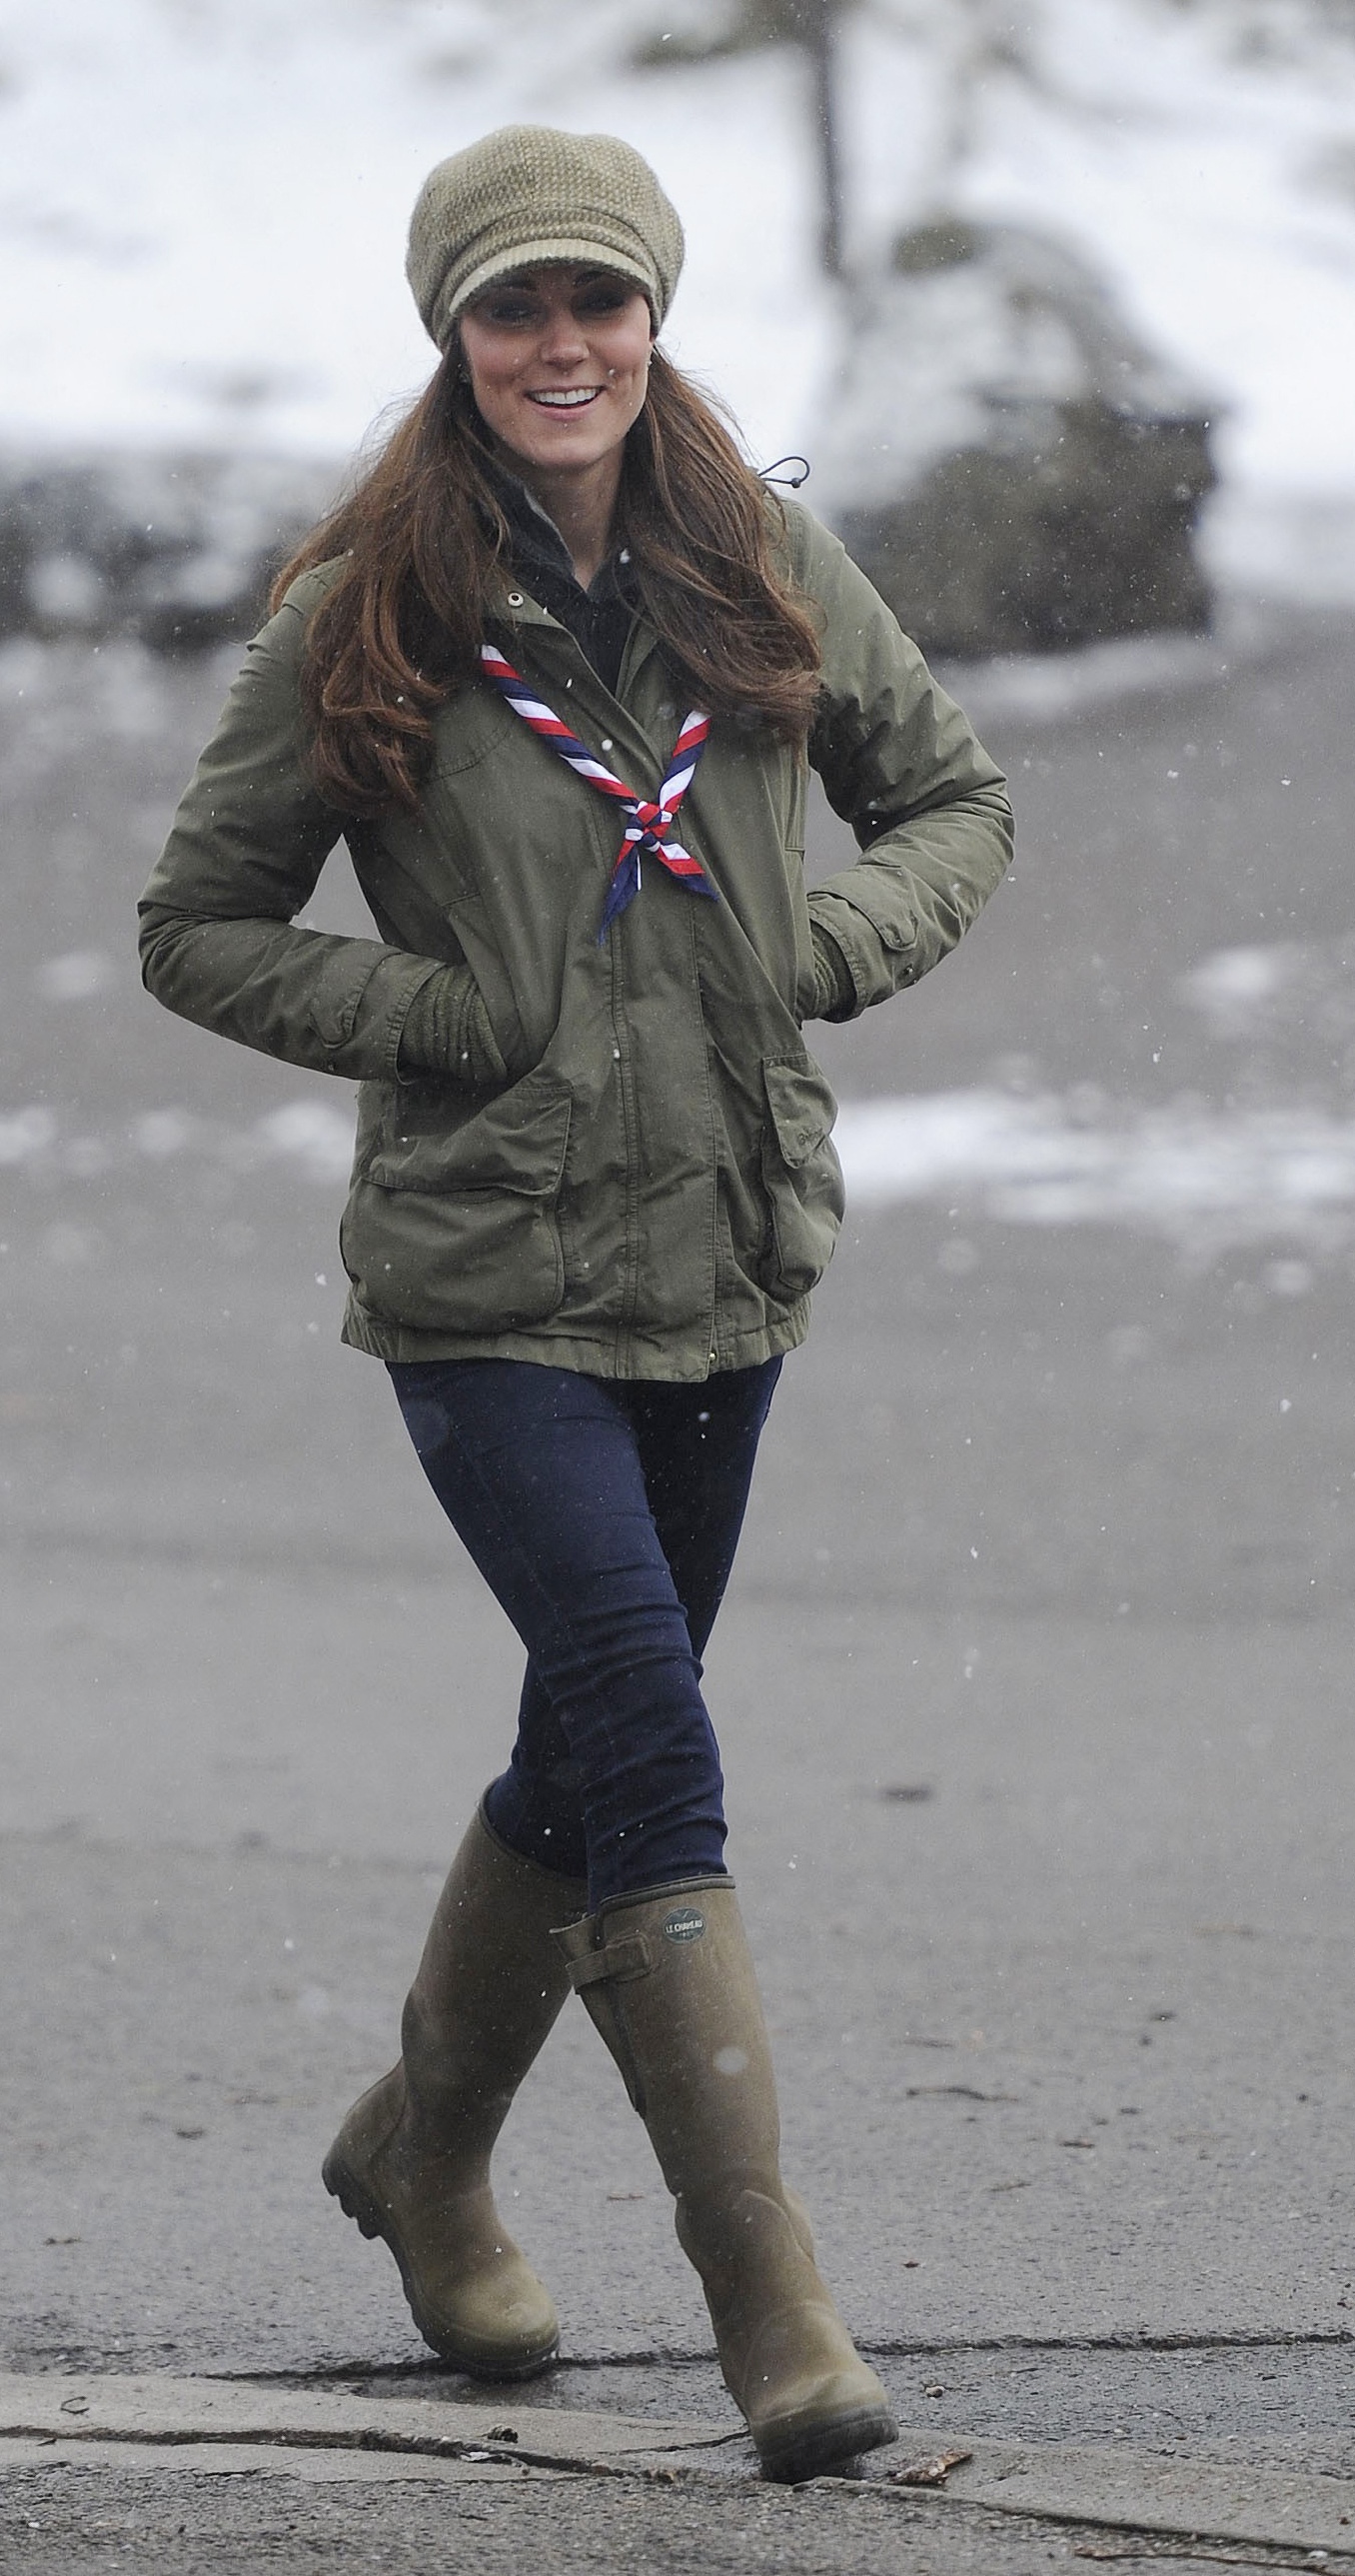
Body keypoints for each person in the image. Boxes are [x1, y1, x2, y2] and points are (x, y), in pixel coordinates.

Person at [139, 124, 1012, 2484]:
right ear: (455, 335)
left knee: (588, 1735)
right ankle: (783, 2328)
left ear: (653, 318)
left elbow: (959, 806)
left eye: (597, 303)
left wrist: (819, 952)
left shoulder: (763, 561)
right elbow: (196, 919)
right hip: (486, 1268)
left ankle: (418, 2157)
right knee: (652, 1733)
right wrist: (440, 1014)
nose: (563, 348)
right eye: (515, 308)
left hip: (726, 1245)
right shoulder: (368, 606)